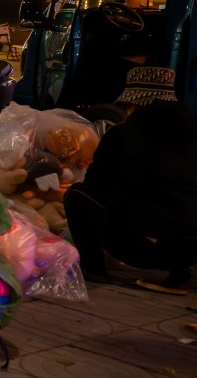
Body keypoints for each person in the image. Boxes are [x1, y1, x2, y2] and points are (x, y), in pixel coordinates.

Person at [64, 67, 197, 294]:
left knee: (76, 195)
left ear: (133, 104)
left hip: (136, 246)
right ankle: (181, 270)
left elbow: (96, 187)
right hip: (190, 248)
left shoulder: (120, 135)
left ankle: (94, 268)